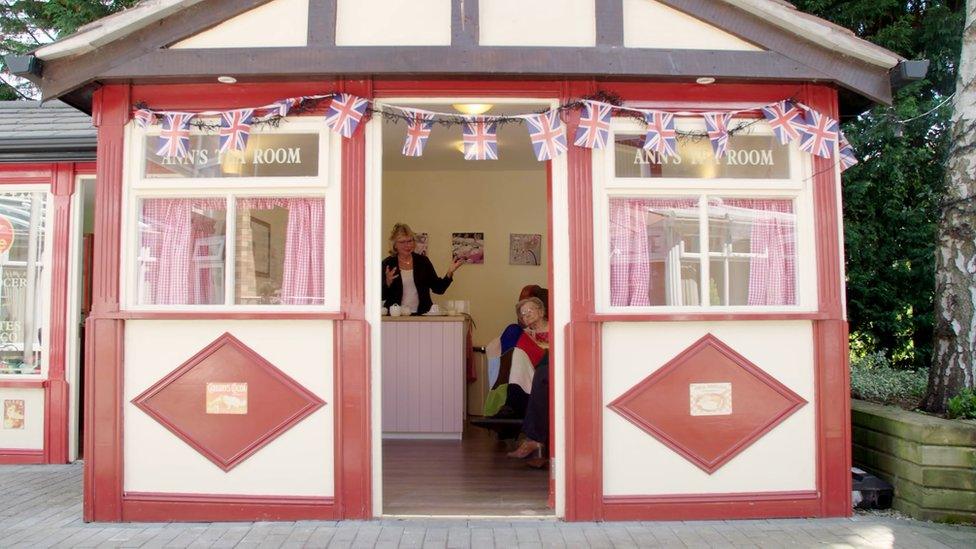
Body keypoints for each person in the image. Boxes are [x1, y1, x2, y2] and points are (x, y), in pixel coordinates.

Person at [382, 223, 464, 315]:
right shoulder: (387, 264)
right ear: (395, 245)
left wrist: (450, 272)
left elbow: (439, 289)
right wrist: (388, 283)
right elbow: (380, 296)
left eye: (410, 241)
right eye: (402, 242)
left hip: (422, 316)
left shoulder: (423, 262)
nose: (407, 245)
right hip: (395, 318)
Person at [506, 296, 549, 464]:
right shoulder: (525, 335)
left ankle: (533, 441)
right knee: (518, 353)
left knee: (542, 373)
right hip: (532, 375)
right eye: (523, 314)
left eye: (530, 310)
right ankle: (512, 404)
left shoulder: (556, 325)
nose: (526, 315)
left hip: (551, 372)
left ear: (541, 311)